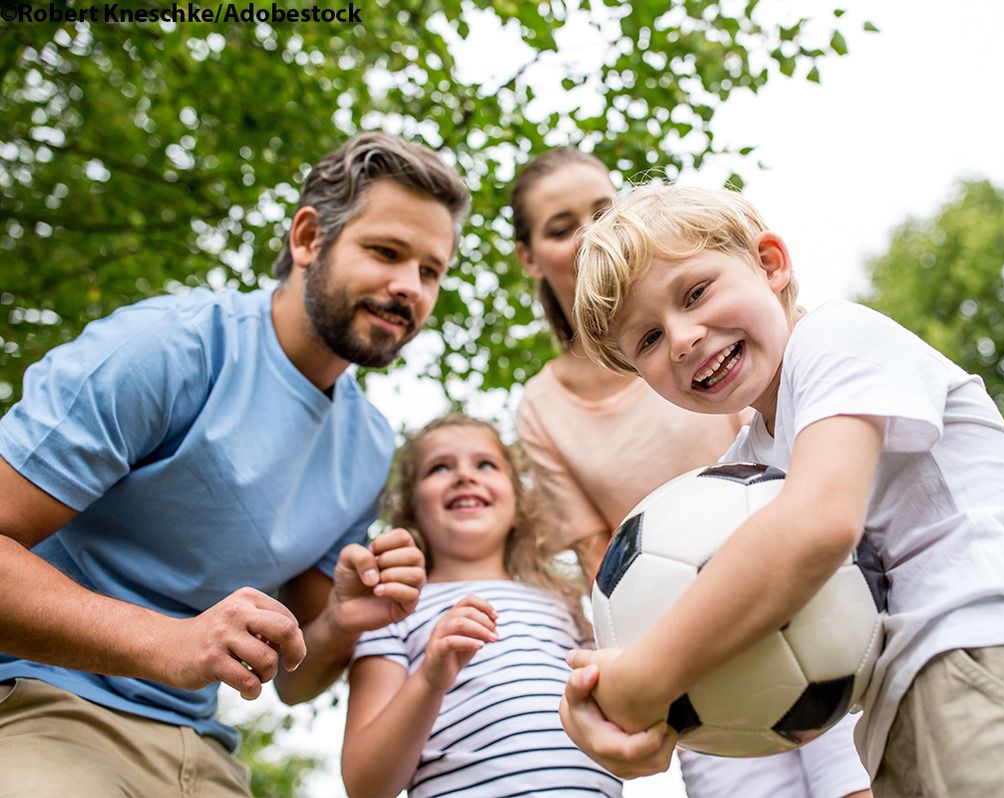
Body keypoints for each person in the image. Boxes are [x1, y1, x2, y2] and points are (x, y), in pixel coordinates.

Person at [559, 184, 1004, 796]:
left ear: (770, 263)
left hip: (1003, 666)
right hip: (895, 731)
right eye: (647, 339)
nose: (683, 337)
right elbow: (740, 618)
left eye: (695, 292)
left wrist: (642, 680)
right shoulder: (739, 476)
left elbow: (817, 526)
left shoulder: (836, 339)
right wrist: (622, 715)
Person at [0, 132, 470, 796]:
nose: (408, 289)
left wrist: (341, 622)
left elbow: (295, 679)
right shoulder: (165, 350)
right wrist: (169, 643)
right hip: (46, 708)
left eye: (430, 271)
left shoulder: (367, 447)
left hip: (207, 754)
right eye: (385, 252)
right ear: (308, 239)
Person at [512, 149, 870, 798]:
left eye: (602, 209)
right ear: (530, 257)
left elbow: (814, 490)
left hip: (822, 599)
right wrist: (641, 677)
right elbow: (603, 556)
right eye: (562, 227)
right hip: (690, 659)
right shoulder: (541, 407)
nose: (592, 231)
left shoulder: (724, 350)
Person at [341, 414, 620, 798]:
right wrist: (430, 679)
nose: (464, 476)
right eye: (439, 467)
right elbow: (365, 784)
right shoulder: (392, 610)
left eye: (485, 464)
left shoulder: (565, 603)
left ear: (518, 502)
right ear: (410, 506)